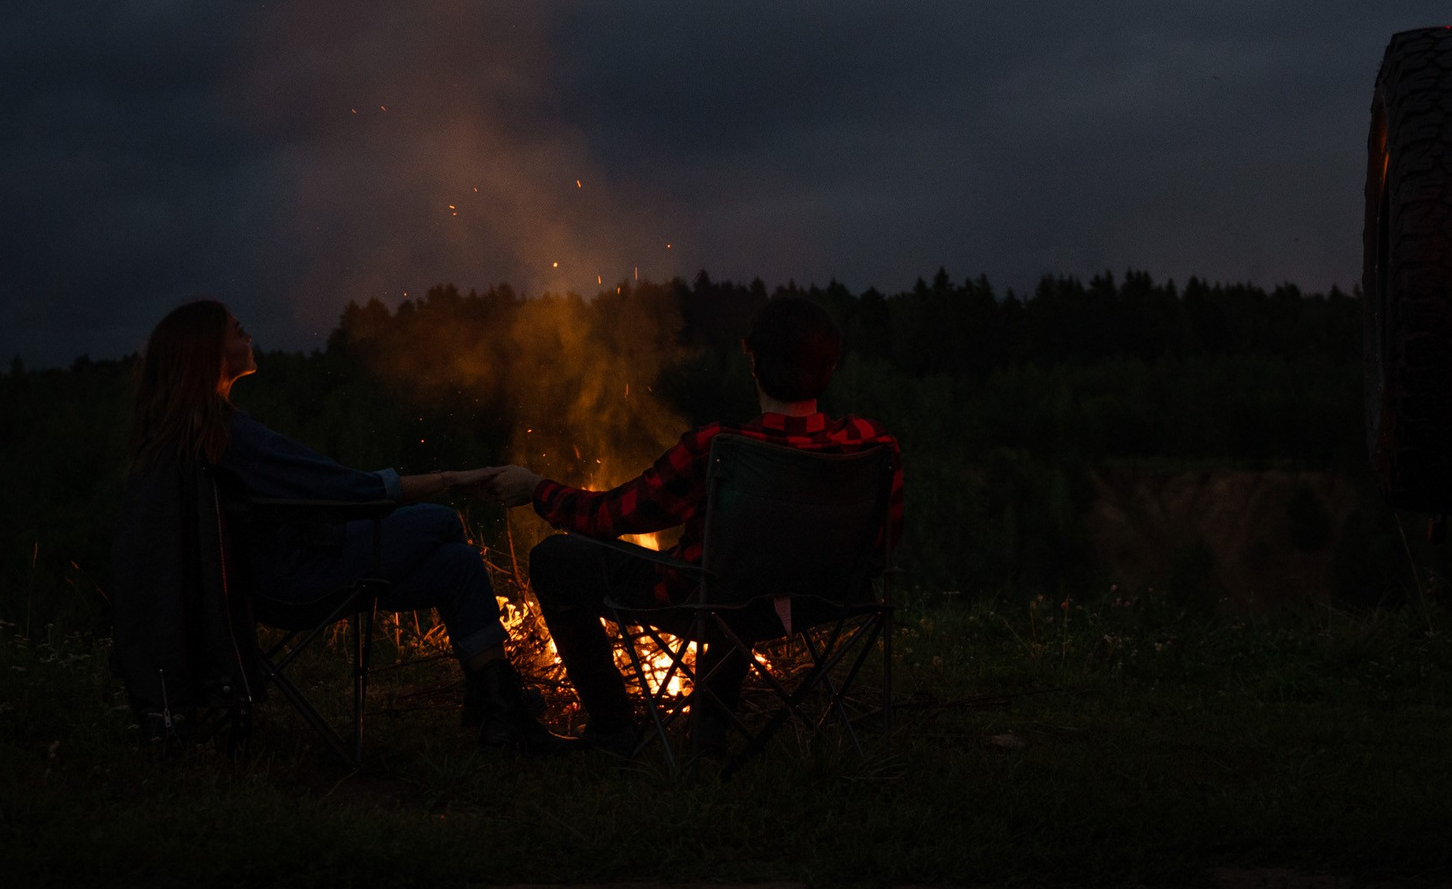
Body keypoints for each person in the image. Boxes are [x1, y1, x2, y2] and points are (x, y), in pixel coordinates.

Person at [125, 298, 556, 753]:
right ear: (209, 352)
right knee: (442, 522)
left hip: (264, 579)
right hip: (294, 579)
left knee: (460, 563)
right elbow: (344, 489)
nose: (248, 337)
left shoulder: (178, 435)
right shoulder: (231, 434)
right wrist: (452, 479)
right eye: (238, 331)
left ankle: (502, 716)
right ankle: (498, 704)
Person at [493, 296, 901, 755]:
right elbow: (885, 542)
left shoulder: (719, 449)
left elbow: (610, 516)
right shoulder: (873, 445)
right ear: (829, 370)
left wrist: (536, 489)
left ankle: (611, 729)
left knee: (555, 560)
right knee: (744, 579)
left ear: (755, 366)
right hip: (826, 600)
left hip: (712, 602)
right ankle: (710, 727)